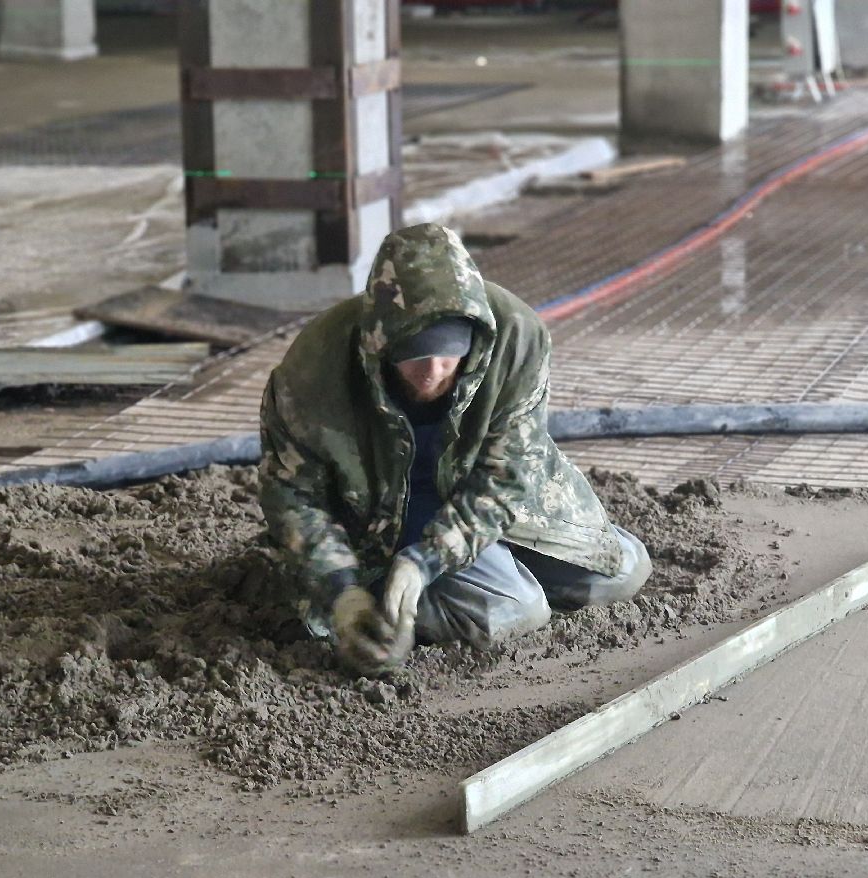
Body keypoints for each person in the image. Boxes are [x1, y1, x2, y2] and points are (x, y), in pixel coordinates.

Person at [259, 223, 651, 676]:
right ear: (379, 344)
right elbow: (292, 496)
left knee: (623, 571)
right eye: (414, 356)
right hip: (376, 520)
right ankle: (389, 607)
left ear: (474, 337)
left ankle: (454, 579)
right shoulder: (313, 370)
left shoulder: (515, 337)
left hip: (478, 498)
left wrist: (428, 560)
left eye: (449, 356)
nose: (433, 372)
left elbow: (508, 475)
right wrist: (341, 591)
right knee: (516, 609)